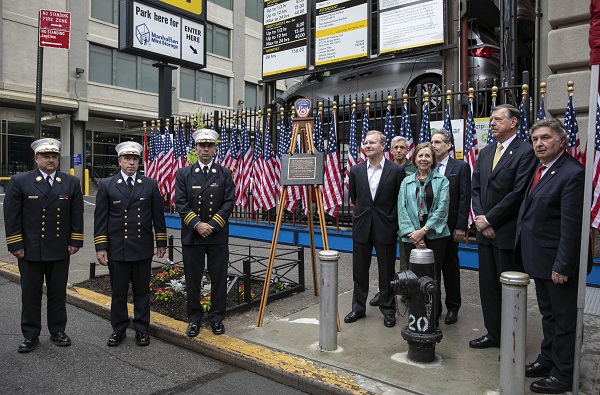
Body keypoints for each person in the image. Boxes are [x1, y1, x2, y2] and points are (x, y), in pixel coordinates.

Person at [516, 119, 587, 394]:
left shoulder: (572, 173)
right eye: (535, 139)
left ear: (561, 141)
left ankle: (563, 373)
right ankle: (548, 360)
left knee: (564, 319)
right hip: (540, 260)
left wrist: (563, 264)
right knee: (548, 316)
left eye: (545, 138)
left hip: (557, 264)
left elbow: (571, 227)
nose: (538, 144)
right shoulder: (541, 167)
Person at [4, 138, 84, 353]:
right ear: (36, 158)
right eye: (46, 156)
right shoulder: (20, 181)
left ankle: (58, 330)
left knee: (58, 293)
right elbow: (12, 216)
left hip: (59, 248)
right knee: (30, 294)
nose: (51, 160)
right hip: (30, 249)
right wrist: (15, 244)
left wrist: (75, 241)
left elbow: (76, 215)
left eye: (54, 156)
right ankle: (30, 335)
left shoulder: (70, 182)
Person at [470, 104, 537, 349]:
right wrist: (480, 218)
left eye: (498, 119)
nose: (492, 123)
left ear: (514, 122)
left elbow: (518, 193)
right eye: (491, 120)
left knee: (509, 290)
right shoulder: (486, 151)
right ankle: (494, 334)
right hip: (484, 233)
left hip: (506, 233)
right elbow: (475, 188)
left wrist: (490, 220)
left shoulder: (526, 151)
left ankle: (512, 339)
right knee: (487, 287)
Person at [94, 142, 167, 347]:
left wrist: (161, 241)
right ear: (120, 161)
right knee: (118, 292)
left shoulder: (149, 184)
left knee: (142, 291)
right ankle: (118, 329)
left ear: (138, 163)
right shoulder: (107, 185)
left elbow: (157, 216)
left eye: (135, 159)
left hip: (142, 247)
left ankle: (142, 328)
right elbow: (100, 219)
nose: (131, 163)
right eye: (127, 159)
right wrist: (101, 247)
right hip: (117, 248)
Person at [175, 129, 234, 336]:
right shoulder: (184, 173)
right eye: (202, 146)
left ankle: (217, 318)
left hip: (217, 235)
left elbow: (228, 202)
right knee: (193, 279)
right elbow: (180, 203)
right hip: (193, 235)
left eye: (210, 146)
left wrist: (213, 225)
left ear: (215, 149)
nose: (206, 149)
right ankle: (194, 318)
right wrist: (198, 224)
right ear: (196, 149)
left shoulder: (225, 173)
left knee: (219, 278)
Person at [345, 130, 405, 328]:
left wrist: (393, 221)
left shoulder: (395, 171)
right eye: (366, 143)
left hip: (385, 226)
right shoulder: (356, 171)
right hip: (362, 226)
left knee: (386, 271)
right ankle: (358, 308)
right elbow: (355, 198)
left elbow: (400, 199)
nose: (368, 145)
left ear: (382, 146)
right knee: (359, 270)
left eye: (372, 143)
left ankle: (388, 310)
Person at [397, 142, 450, 324]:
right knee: (413, 277)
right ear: (415, 158)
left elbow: (442, 209)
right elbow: (402, 209)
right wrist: (414, 234)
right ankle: (416, 315)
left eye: (428, 156)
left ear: (433, 159)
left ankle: (432, 315)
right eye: (420, 156)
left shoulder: (442, 181)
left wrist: (424, 231)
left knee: (433, 276)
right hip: (411, 236)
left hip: (435, 235)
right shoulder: (406, 182)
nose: (424, 159)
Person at [370, 135, 416, 307]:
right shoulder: (382, 167)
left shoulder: (415, 168)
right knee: (384, 260)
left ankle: (405, 290)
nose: (398, 150)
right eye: (395, 147)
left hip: (407, 220)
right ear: (389, 150)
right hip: (385, 219)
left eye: (402, 147)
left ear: (407, 150)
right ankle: (385, 291)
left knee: (406, 258)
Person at [430, 130, 471, 325]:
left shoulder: (460, 167)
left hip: (450, 227)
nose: (433, 145)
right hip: (429, 228)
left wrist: (461, 227)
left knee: (450, 268)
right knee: (432, 269)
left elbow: (464, 198)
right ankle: (434, 306)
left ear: (448, 145)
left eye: (437, 142)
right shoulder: (427, 166)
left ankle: (453, 307)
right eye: (431, 142)